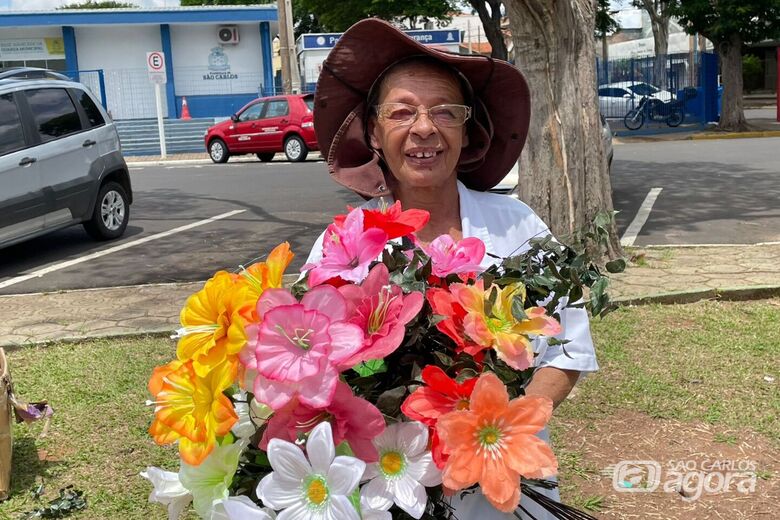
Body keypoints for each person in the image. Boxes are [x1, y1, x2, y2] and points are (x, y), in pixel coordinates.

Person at [303, 19, 598, 520]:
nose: (424, 128)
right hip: (386, 482)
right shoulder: (343, 243)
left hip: (500, 474)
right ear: (373, 131)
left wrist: (498, 430)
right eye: (402, 112)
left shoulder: (517, 226)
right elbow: (312, 367)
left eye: (445, 112)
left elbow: (569, 349)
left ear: (466, 129)